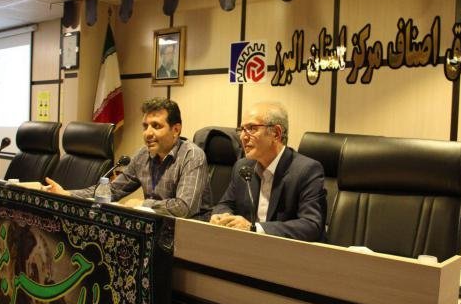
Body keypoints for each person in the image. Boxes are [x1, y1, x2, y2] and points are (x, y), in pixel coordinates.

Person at [45, 97, 211, 218]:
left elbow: (184, 208)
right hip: (156, 228)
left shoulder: (192, 156)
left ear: (176, 130)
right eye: (145, 126)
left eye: (156, 126)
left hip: (191, 235)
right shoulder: (142, 155)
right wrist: (67, 194)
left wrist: (142, 204)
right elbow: (112, 190)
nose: (148, 133)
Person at [210, 102, 326, 241]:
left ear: (276, 133)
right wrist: (222, 216)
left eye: (251, 129)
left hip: (286, 251)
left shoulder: (307, 170)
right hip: (245, 247)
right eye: (242, 129)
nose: (243, 137)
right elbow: (225, 204)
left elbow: (311, 225)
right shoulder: (243, 167)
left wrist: (254, 228)